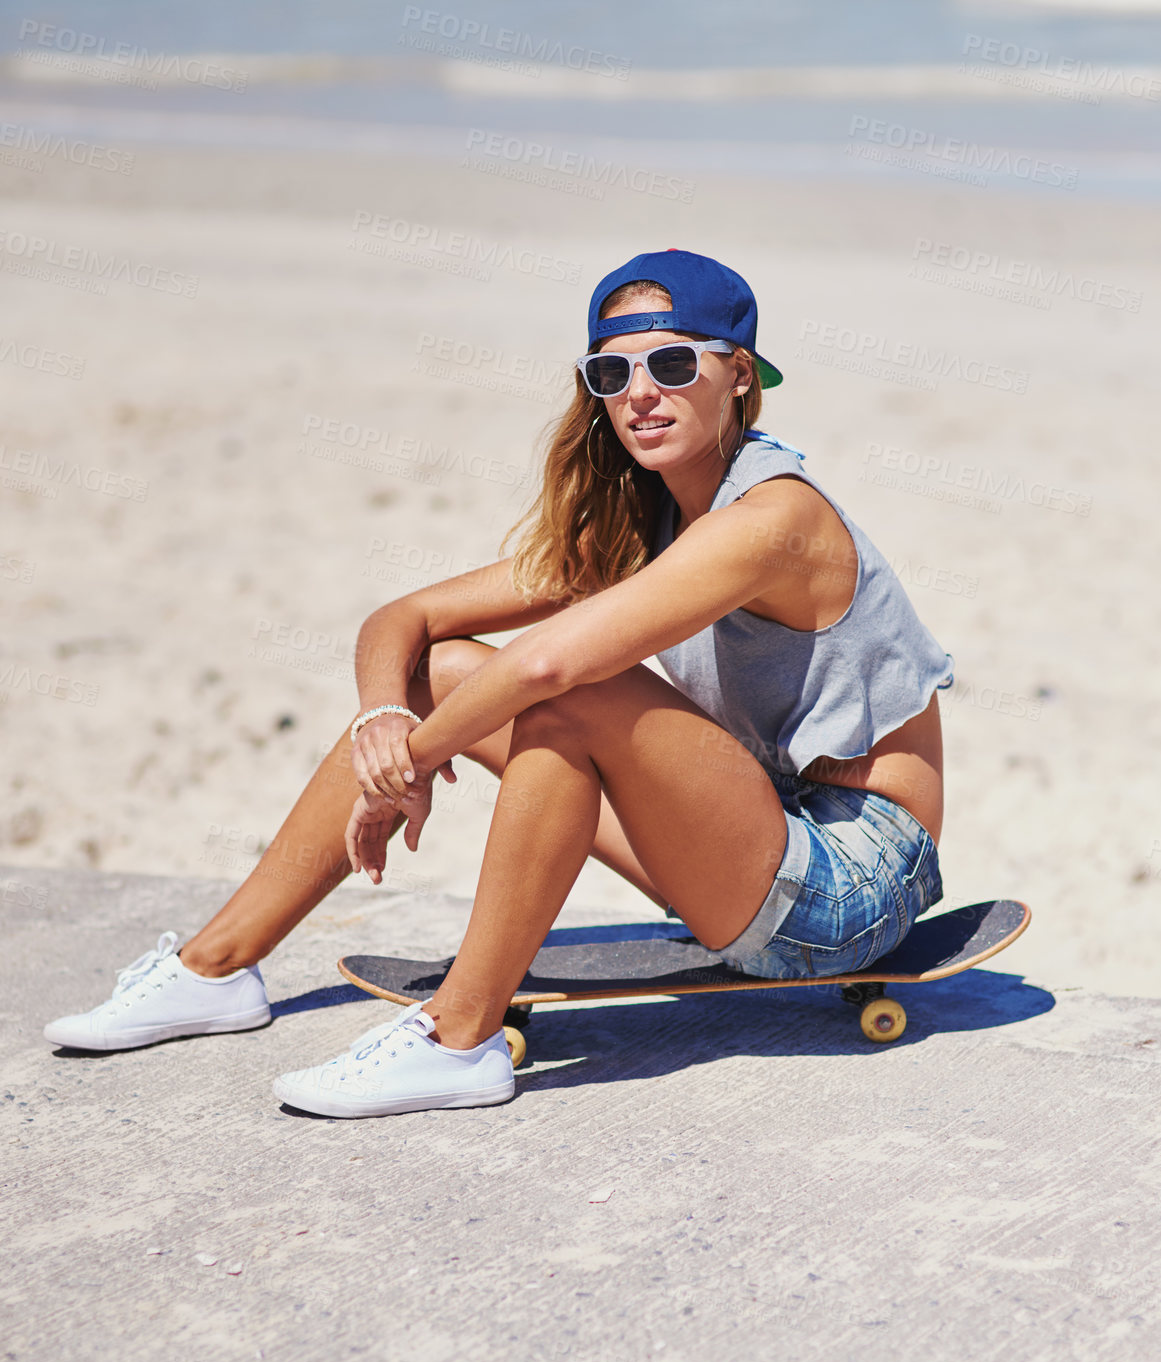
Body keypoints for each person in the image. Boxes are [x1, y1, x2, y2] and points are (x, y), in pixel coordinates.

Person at [45, 248, 950, 1118]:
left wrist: (398, 778)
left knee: (566, 692)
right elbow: (402, 623)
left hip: (846, 890)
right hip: (745, 845)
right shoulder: (655, 524)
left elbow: (549, 663)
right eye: (612, 375)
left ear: (738, 374)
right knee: (440, 675)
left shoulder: (773, 516)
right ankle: (213, 969)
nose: (641, 395)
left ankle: (458, 1037)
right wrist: (384, 723)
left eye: (673, 364)